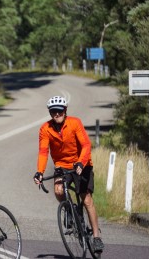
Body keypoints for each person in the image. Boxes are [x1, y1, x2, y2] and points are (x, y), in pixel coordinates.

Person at [33, 96, 105, 253]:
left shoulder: (75, 123)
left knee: (86, 199)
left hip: (81, 163)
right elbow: (43, 151)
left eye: (59, 111)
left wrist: (81, 162)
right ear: (50, 113)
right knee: (59, 190)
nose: (56, 114)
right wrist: (40, 171)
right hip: (62, 166)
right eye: (53, 112)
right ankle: (71, 211)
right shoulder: (45, 129)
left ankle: (96, 236)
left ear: (65, 111)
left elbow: (86, 144)